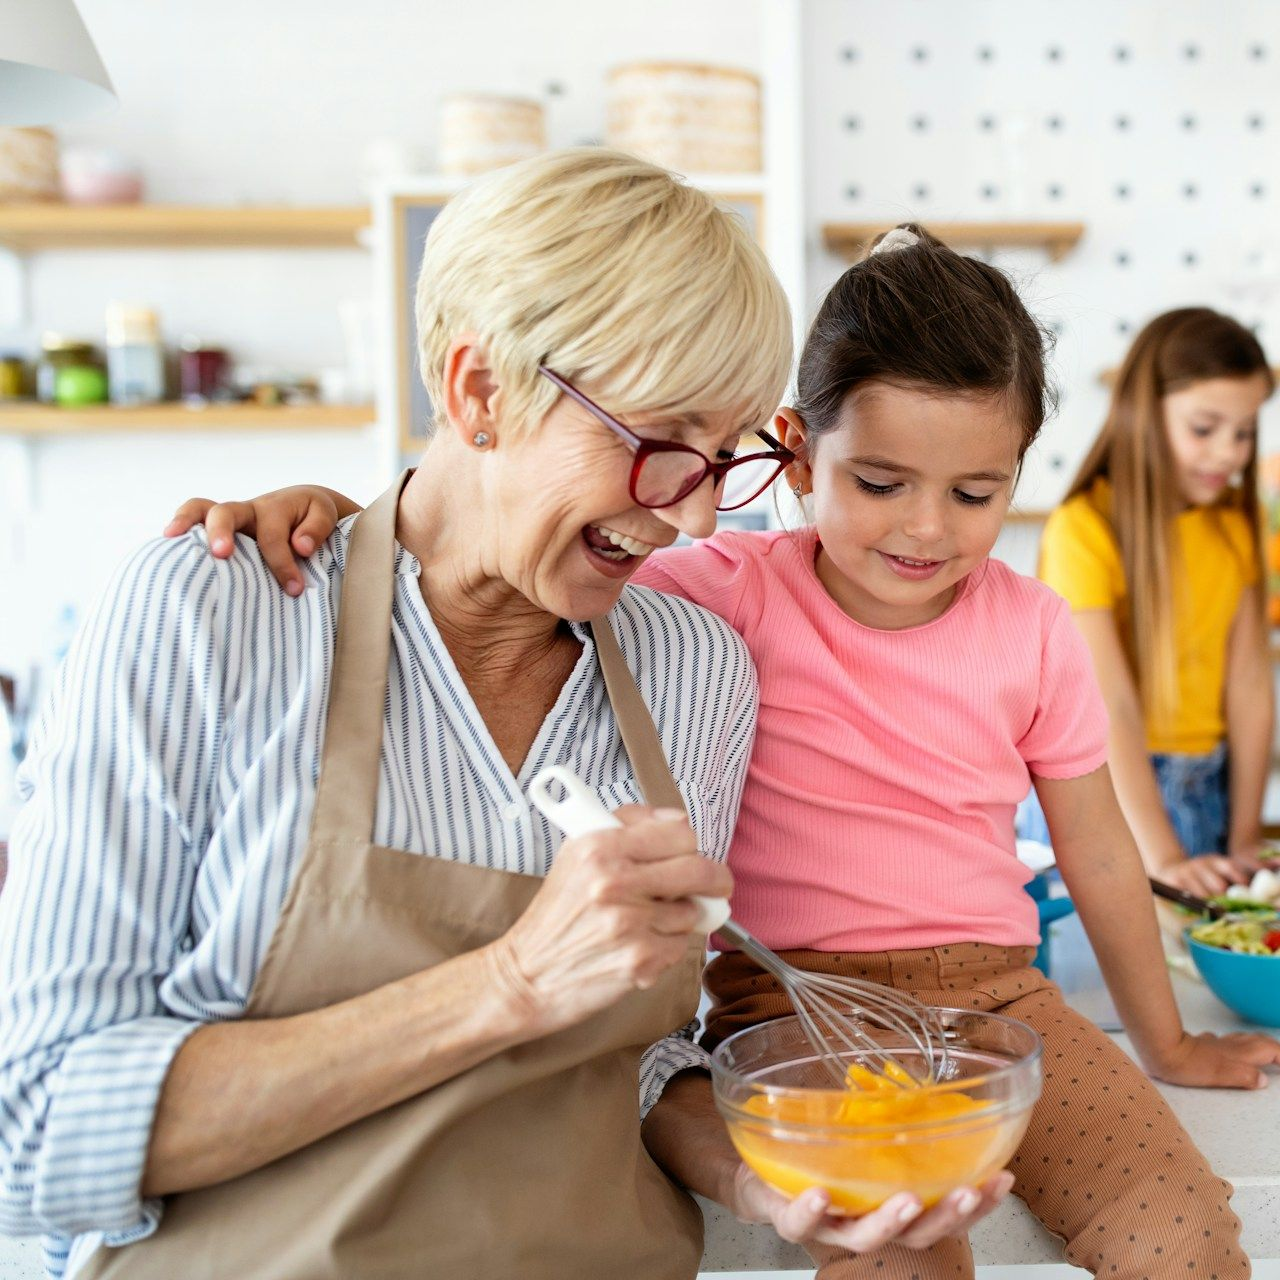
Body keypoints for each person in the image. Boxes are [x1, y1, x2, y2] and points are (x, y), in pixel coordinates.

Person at [186, 224, 1280, 1280]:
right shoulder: (718, 593)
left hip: (1004, 1004)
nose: (924, 530)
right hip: (788, 1018)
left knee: (1182, 1232)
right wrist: (335, 513)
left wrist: (1167, 1043)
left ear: (1016, 472)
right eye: (880, 482)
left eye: (974, 493)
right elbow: (506, 542)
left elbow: (1094, 852)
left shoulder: (1031, 623)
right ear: (798, 454)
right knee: (892, 1253)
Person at [0, 154, 1006, 1280]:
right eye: (665, 441)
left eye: (728, 457)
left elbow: (638, 1057)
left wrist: (761, 1180)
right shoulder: (216, 612)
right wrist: (508, 982)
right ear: (478, 390)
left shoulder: (695, 671)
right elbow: (34, 1131)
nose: (695, 513)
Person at [1035, 308, 1275, 898]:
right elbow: (1106, 702)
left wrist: (1245, 839)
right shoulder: (1084, 529)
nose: (1228, 452)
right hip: (1114, 798)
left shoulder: (1235, 530)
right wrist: (1163, 855)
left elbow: (1249, 685)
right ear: (1144, 413)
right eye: (1204, 428)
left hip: (1211, 789)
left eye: (1243, 431)